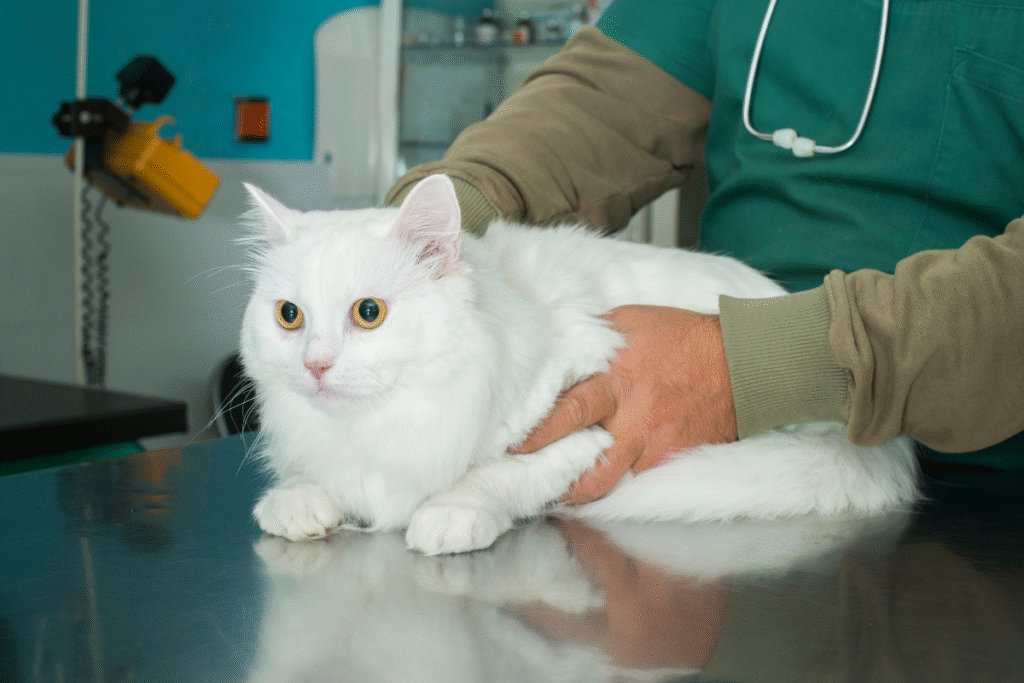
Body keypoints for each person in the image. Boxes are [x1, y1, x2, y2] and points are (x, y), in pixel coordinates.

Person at [387, 0, 1024, 503]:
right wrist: (417, 236)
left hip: (987, 496)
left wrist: (753, 366)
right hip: (717, 453)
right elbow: (601, 104)